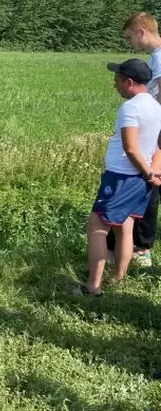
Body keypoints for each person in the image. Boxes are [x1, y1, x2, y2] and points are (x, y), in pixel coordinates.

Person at [81, 59, 161, 296]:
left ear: (129, 82)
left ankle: (92, 287)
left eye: (116, 79)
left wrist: (149, 172)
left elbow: (131, 147)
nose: (114, 84)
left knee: (96, 227)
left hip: (121, 177)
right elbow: (158, 146)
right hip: (140, 179)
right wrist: (153, 173)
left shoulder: (131, 108)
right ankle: (118, 279)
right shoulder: (157, 107)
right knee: (125, 227)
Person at [107, 13, 161, 267]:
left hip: (155, 134)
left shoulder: (160, 59)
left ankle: (142, 248)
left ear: (142, 32)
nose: (129, 42)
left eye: (129, 37)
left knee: (150, 185)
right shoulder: (156, 58)